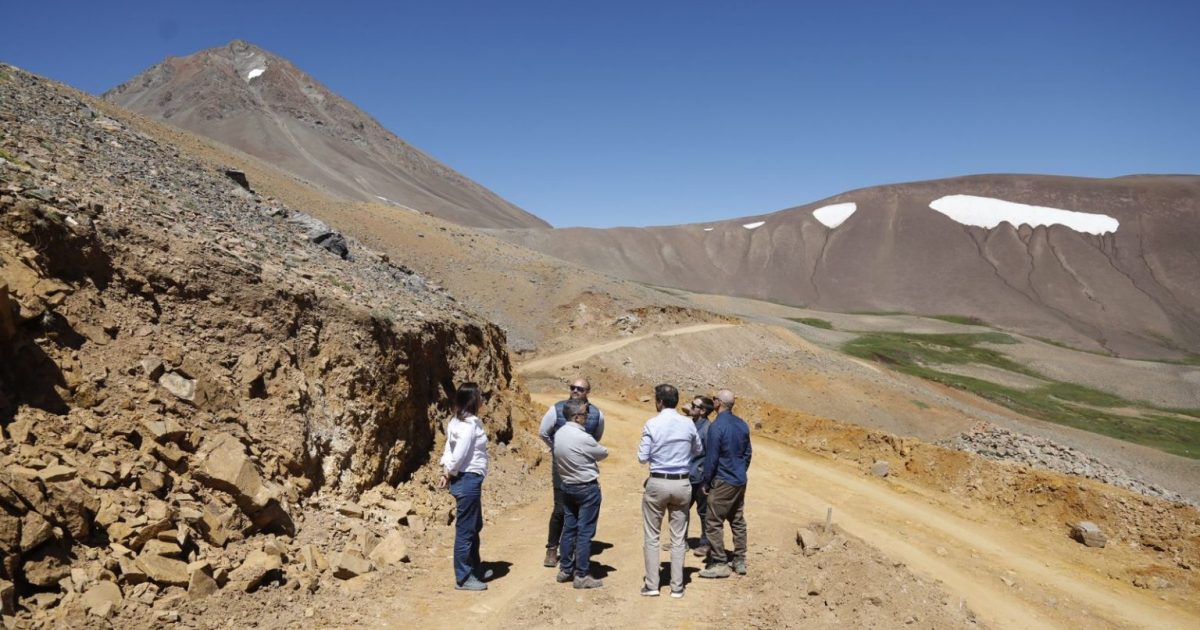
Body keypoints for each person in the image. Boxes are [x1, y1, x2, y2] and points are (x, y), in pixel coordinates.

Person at [637, 384, 702, 598]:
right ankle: (677, 587)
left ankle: (653, 585)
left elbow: (642, 457)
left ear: (660, 402)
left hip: (657, 481)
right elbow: (698, 449)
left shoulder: (652, 423)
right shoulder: (688, 424)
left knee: (652, 536)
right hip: (682, 483)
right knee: (678, 537)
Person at [538, 378, 605, 568]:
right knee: (560, 508)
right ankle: (552, 548)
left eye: (580, 388)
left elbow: (596, 437)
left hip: (583, 468)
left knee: (579, 509)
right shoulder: (557, 409)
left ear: (588, 392)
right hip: (562, 466)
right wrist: (559, 449)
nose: (575, 390)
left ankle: (574, 550)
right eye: (572, 387)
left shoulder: (597, 414)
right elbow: (543, 432)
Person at [439, 383, 490, 591]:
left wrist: (446, 470)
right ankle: (464, 577)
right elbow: (459, 453)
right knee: (466, 530)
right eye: (479, 396)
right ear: (472, 399)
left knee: (474, 525)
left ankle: (474, 568)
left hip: (464, 478)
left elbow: (448, 449)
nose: (482, 399)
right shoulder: (469, 426)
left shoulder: (455, 422)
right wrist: (448, 471)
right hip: (468, 479)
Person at [553, 399, 609, 589]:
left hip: (567, 486)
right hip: (586, 488)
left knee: (569, 528)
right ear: (576, 416)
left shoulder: (559, 434)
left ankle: (565, 569)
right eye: (584, 415)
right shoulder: (582, 437)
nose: (586, 418)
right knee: (585, 532)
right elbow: (602, 453)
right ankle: (582, 574)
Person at [699, 389, 752, 579]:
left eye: (714, 399)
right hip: (739, 480)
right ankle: (739, 560)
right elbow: (747, 454)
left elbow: (711, 458)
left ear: (718, 403)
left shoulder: (716, 426)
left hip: (723, 480)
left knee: (713, 521)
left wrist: (706, 481)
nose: (712, 401)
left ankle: (720, 562)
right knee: (737, 520)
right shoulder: (742, 425)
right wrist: (739, 470)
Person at [687, 396, 715, 558]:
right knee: (681, 510)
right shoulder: (691, 424)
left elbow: (711, 455)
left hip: (700, 478)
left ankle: (705, 543)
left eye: (694, 405)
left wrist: (707, 479)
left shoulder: (707, 429)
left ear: (703, 411)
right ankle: (680, 541)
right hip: (687, 475)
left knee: (703, 512)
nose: (690, 407)